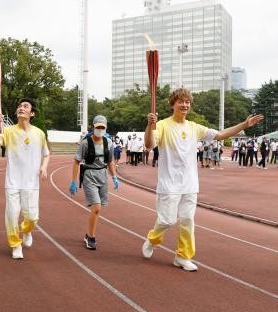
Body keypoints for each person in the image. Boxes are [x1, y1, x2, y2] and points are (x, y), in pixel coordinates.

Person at [141, 88, 263, 272]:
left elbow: (220, 135)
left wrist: (243, 125)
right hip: (169, 184)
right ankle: (152, 239)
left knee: (188, 220)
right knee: (166, 220)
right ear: (172, 104)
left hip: (190, 184)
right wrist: (150, 126)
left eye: (187, 102)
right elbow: (149, 144)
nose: (184, 105)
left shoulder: (194, 127)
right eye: (180, 101)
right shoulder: (163, 125)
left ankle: (182, 257)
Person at [0, 98, 50, 260]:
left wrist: (44, 167)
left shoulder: (39, 133)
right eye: (19, 106)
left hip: (31, 183)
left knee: (32, 217)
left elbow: (46, 154)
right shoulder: (9, 131)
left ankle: (27, 231)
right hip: (13, 182)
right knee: (12, 215)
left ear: (32, 113)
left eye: (25, 106)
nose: (21, 108)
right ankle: (15, 244)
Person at [69, 115, 119, 250]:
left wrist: (114, 176)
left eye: (103, 127)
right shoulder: (85, 143)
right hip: (89, 175)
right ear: (93, 127)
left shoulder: (109, 142)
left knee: (99, 208)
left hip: (102, 175)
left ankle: (88, 234)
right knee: (96, 207)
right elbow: (76, 161)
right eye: (98, 127)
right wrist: (73, 181)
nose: (100, 130)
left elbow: (110, 161)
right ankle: (91, 236)